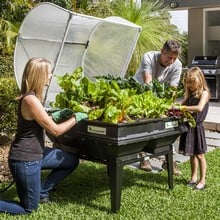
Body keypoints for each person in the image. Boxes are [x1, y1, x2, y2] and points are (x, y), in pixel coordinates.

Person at [0, 57, 87, 215]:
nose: (51, 75)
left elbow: (41, 121)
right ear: (39, 75)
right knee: (28, 209)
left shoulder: (33, 97)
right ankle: (34, 197)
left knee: (71, 160)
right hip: (25, 160)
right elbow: (55, 131)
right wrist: (76, 118)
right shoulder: (30, 100)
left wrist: (58, 115)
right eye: (48, 72)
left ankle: (42, 191)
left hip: (38, 154)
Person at [134, 39, 182, 174]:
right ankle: (144, 158)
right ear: (162, 52)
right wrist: (154, 107)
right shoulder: (148, 57)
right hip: (140, 93)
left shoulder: (177, 65)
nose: (171, 61)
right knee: (144, 126)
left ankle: (169, 161)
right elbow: (148, 83)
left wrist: (168, 106)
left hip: (159, 95)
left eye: (174, 58)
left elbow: (172, 89)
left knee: (168, 126)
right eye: (169, 58)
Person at [176, 66, 210, 190]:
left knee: (200, 154)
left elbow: (199, 108)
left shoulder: (204, 93)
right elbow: (181, 105)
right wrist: (175, 108)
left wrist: (183, 109)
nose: (189, 85)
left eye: (192, 82)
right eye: (187, 82)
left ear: (200, 80)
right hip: (189, 126)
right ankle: (193, 177)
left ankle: (202, 180)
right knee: (192, 154)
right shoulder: (189, 95)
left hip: (197, 128)